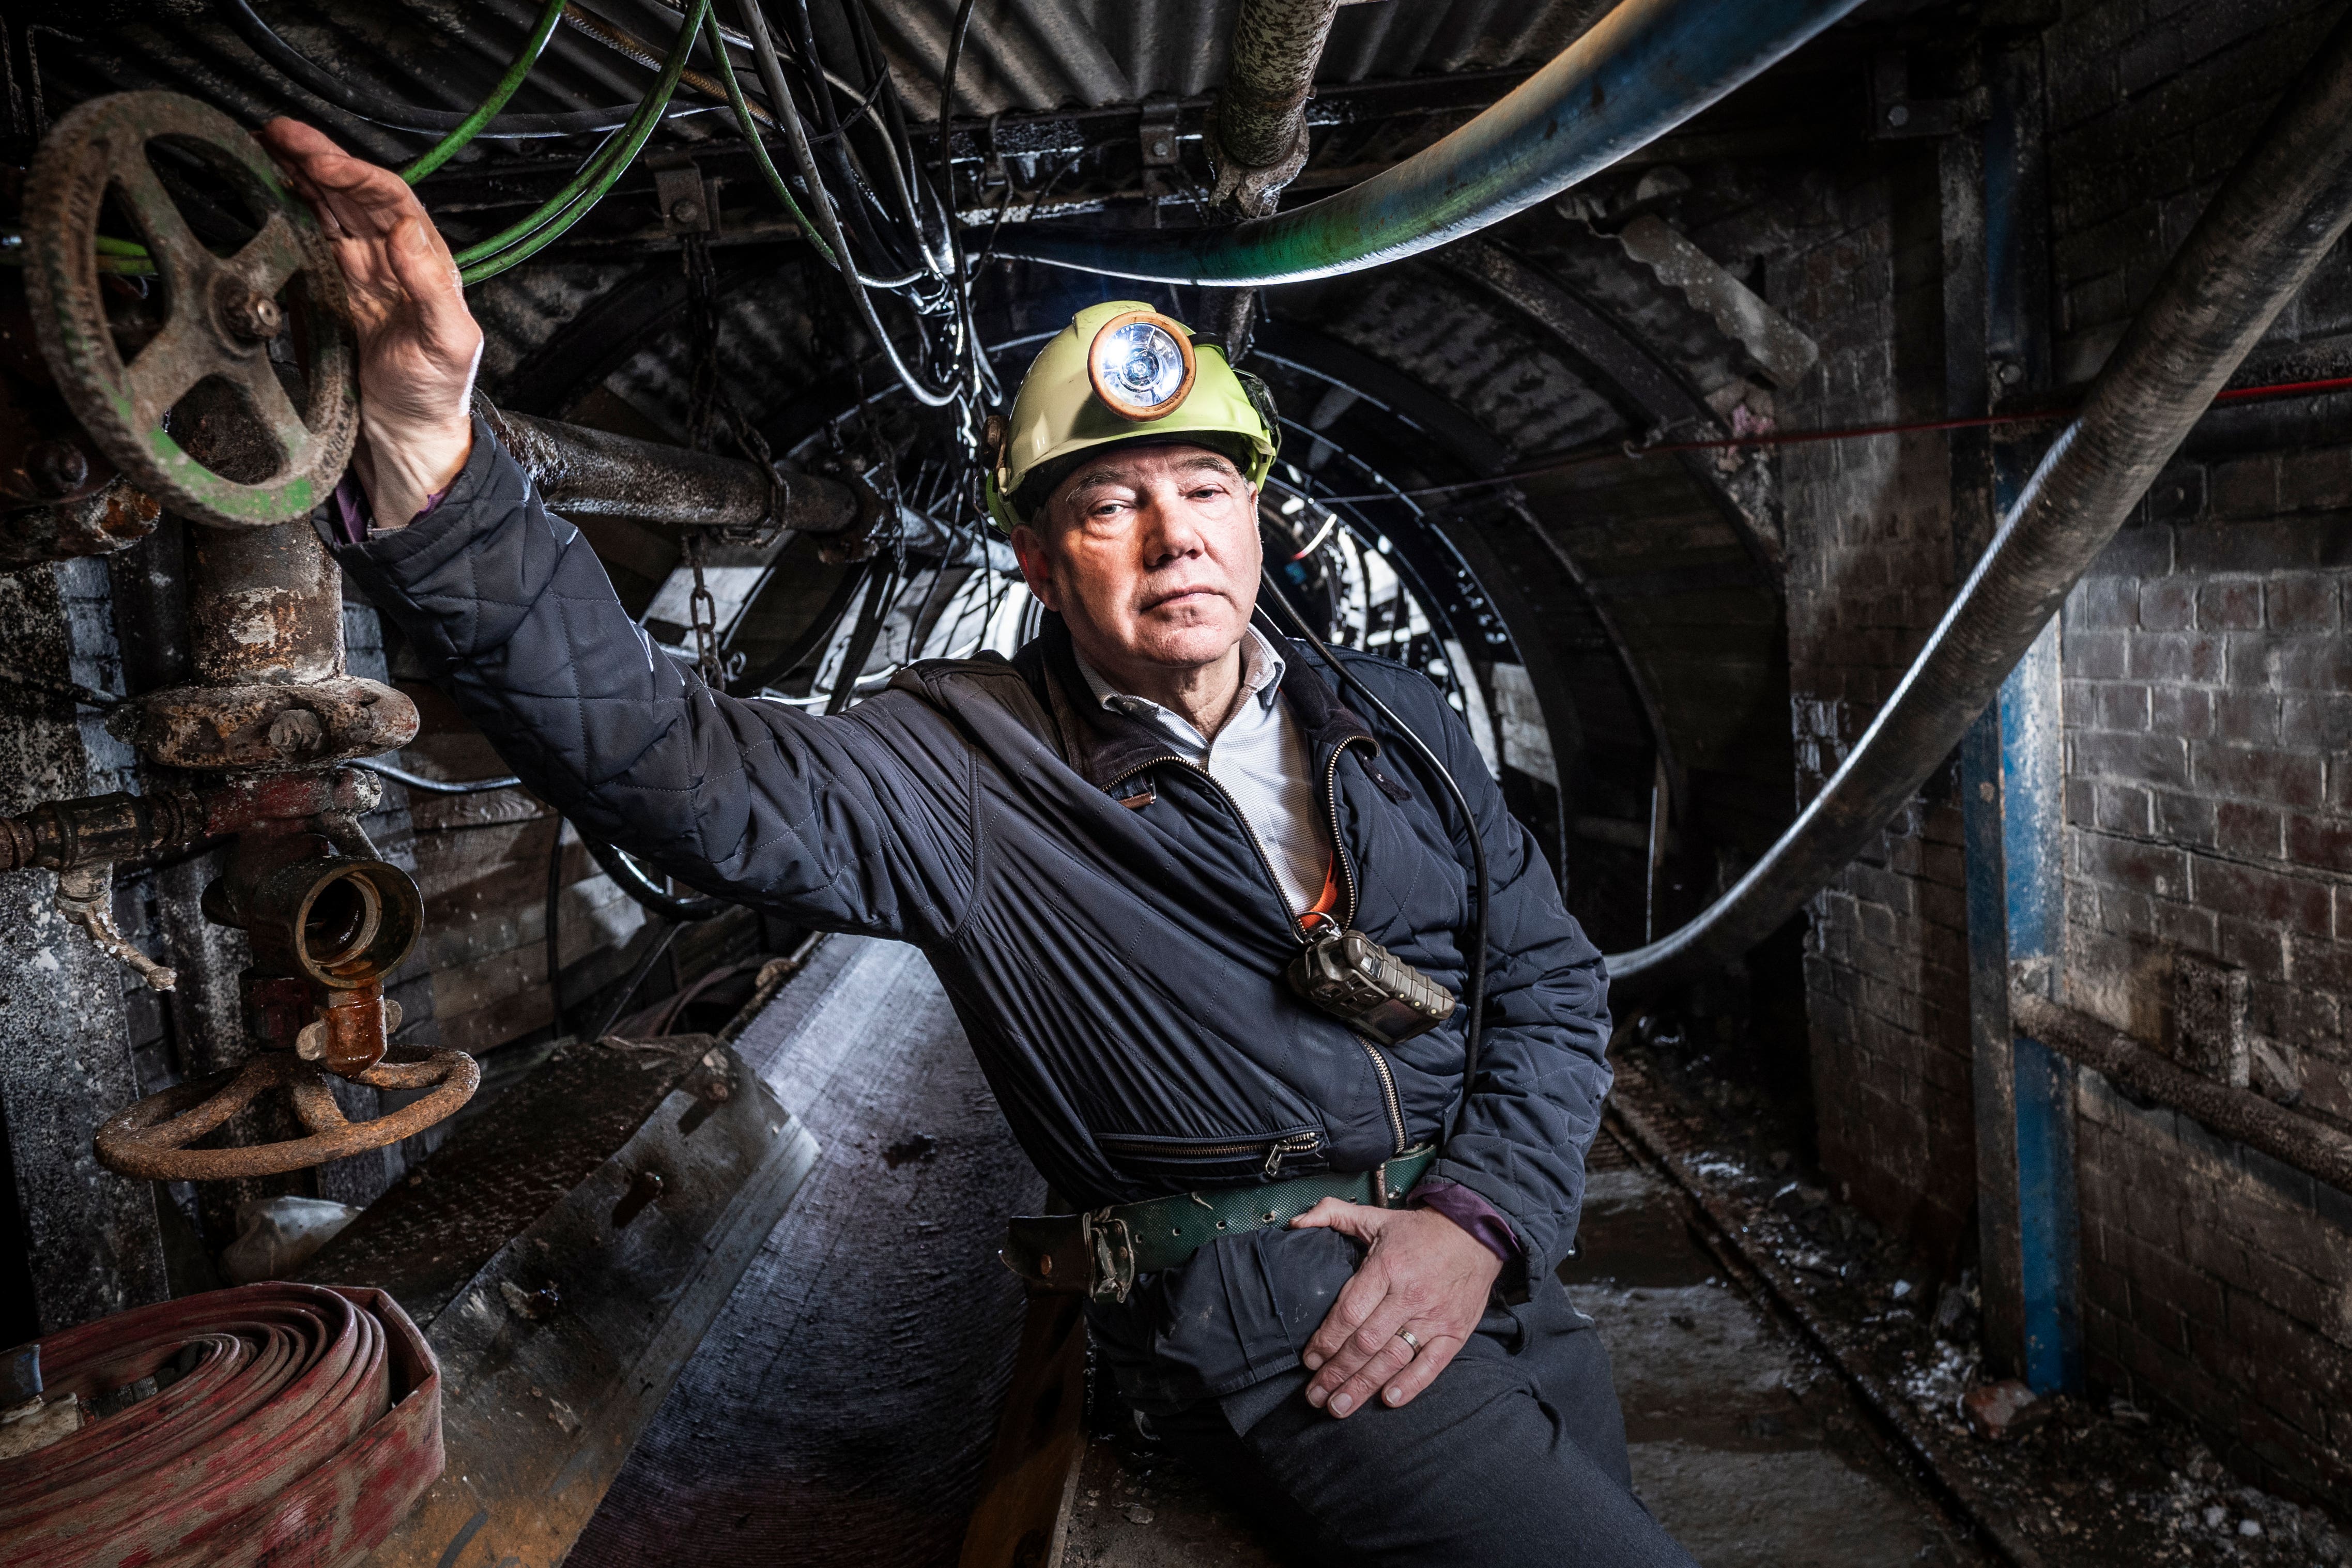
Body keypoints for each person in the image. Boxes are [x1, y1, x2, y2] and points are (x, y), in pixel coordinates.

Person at [261, 117, 1697, 1567]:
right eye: (1110, 503)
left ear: (1260, 515)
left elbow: (1554, 985)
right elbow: (673, 766)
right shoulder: (970, 761)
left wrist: (1483, 1211)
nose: (1174, 535)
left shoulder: (1389, 717)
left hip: (1491, 1264)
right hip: (1278, 1314)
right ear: (1035, 555)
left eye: (1205, 490)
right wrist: (439, 459)